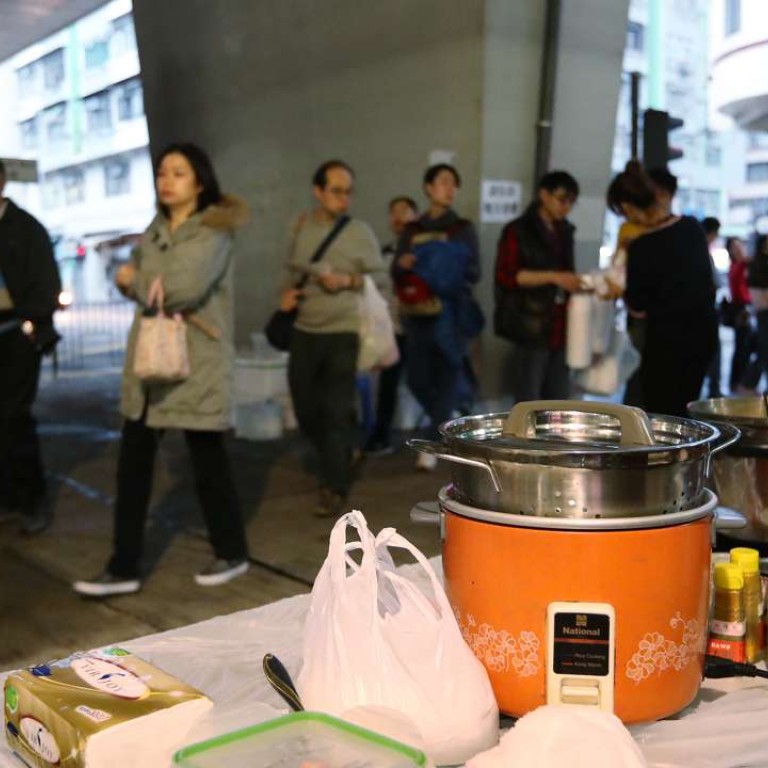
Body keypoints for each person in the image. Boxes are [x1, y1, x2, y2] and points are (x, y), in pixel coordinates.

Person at [73, 143, 250, 596]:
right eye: (161, 172)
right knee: (131, 468)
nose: (166, 180)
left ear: (200, 181)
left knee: (209, 463)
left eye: (178, 172)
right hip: (151, 364)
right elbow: (148, 279)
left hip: (196, 363)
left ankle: (231, 552)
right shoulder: (157, 228)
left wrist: (134, 278)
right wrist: (140, 278)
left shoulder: (212, 230)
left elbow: (176, 289)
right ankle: (124, 565)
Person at [280, 160, 385, 516]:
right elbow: (292, 269)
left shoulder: (360, 232)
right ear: (318, 192)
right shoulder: (301, 227)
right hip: (305, 330)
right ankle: (339, 452)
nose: (345, 198)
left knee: (336, 410)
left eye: (349, 191)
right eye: (337, 191)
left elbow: (382, 278)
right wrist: (288, 296)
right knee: (306, 408)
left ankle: (334, 485)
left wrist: (347, 281)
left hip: (344, 330)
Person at [606, 164, 718, 418]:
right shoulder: (692, 227)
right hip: (704, 334)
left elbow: (637, 304)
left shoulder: (642, 246)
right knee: (686, 411)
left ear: (627, 207)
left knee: (662, 414)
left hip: (667, 341)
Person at [393, 164, 481, 471]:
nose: (450, 188)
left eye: (454, 184)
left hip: (450, 313)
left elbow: (474, 272)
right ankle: (449, 427)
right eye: (443, 182)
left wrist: (441, 269)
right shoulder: (412, 230)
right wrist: (404, 264)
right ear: (428, 188)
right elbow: (396, 269)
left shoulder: (462, 229)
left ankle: (432, 442)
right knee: (417, 378)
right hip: (417, 314)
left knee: (447, 377)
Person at [0, 159, 62, 535]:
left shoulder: (25, 229)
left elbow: (47, 286)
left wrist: (33, 321)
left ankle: (32, 499)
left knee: (14, 418)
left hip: (16, 333)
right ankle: (6, 498)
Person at [494, 170, 582, 403]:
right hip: (530, 320)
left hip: (561, 321)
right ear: (544, 195)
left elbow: (566, 270)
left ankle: (552, 440)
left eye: (572, 202)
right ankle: (525, 440)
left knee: (558, 395)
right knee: (529, 395)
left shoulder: (565, 230)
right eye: (562, 199)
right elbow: (507, 275)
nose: (566, 207)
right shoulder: (518, 230)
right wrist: (554, 277)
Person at [364, 196, 418, 456]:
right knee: (387, 383)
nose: (398, 218)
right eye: (393, 212)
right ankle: (380, 434)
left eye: (404, 212)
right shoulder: (384, 254)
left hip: (419, 328)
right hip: (392, 329)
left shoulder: (420, 253)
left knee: (424, 381)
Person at [726, 237, 760, 394]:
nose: (738, 248)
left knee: (743, 347)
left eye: (740, 245)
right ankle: (739, 383)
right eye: (735, 246)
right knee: (742, 348)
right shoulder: (738, 264)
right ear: (730, 250)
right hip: (742, 309)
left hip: (744, 308)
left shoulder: (740, 264)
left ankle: (739, 382)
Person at [701, 216, 724, 398]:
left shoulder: (700, 251)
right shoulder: (701, 252)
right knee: (713, 352)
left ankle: (713, 388)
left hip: (703, 310)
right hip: (704, 310)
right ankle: (713, 388)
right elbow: (716, 281)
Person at [748, 234, 768, 388]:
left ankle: (748, 382)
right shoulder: (757, 264)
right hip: (763, 309)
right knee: (764, 348)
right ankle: (747, 382)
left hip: (762, 308)